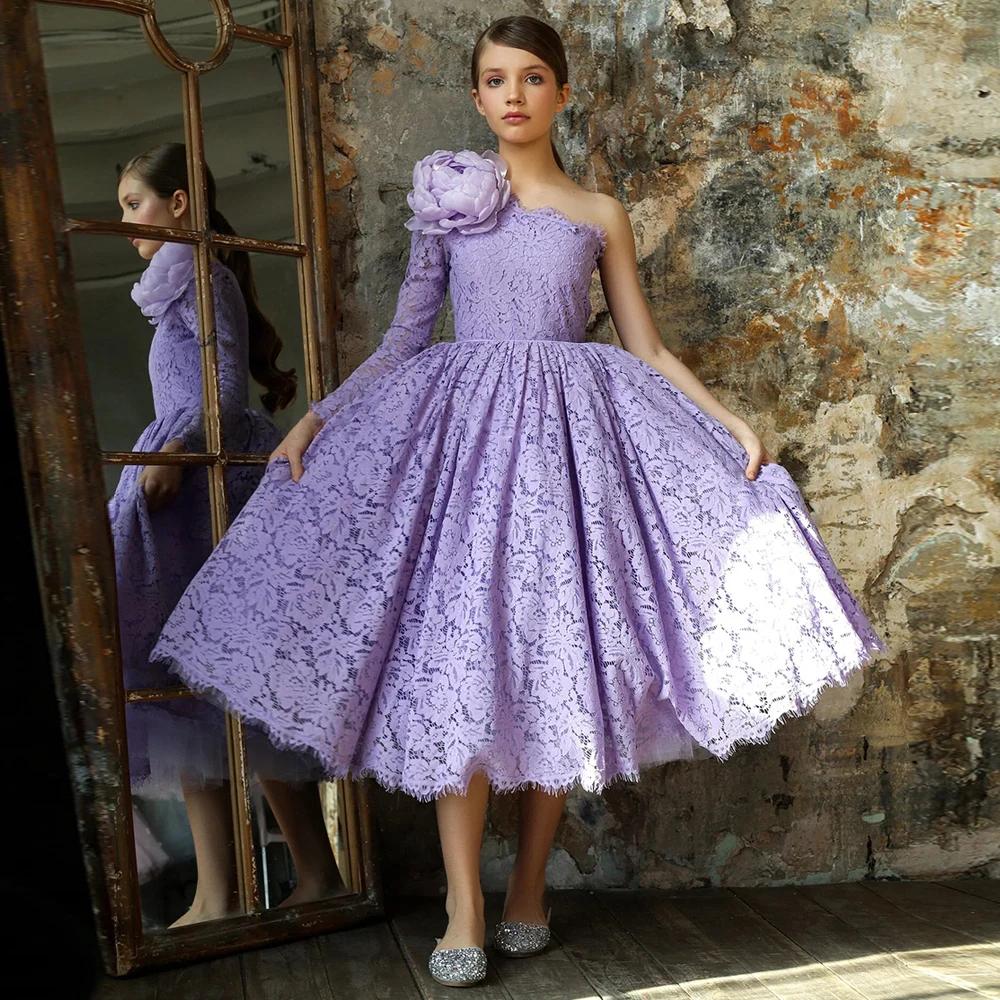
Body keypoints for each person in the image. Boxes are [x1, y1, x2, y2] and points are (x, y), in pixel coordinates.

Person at [151, 15, 886, 983]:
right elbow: (406, 340)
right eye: (495, 79)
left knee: (552, 670)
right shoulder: (452, 204)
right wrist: (317, 420)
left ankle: (528, 884)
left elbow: (646, 348)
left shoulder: (596, 215)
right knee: (459, 666)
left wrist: (728, 422)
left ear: (561, 94)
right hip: (460, 462)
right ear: (475, 96)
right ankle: (464, 902)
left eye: (532, 78)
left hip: (566, 464)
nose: (512, 96)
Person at [113, 143, 343, 927]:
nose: (125, 221)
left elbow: (220, 383)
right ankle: (224, 890)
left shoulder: (203, 276)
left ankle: (306, 875)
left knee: (235, 684)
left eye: (135, 204)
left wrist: (179, 449)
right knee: (192, 697)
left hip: (211, 478)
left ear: (181, 203)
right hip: (183, 484)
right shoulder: (182, 278)